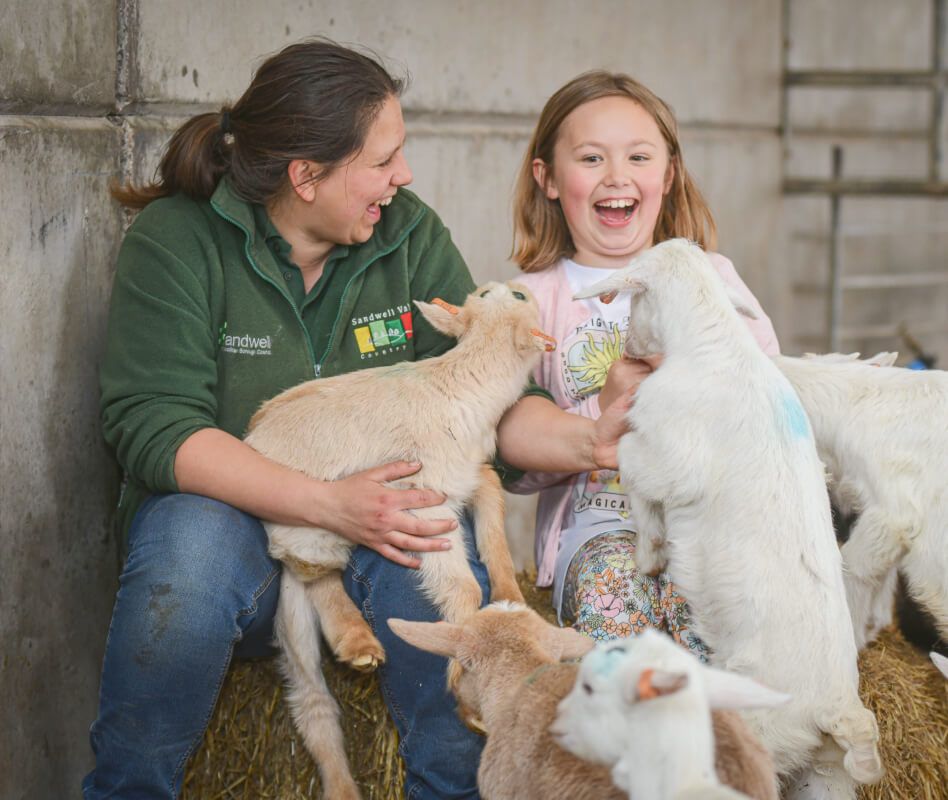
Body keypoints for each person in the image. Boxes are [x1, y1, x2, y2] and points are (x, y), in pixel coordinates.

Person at [497, 71, 781, 657]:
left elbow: (773, 406)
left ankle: (726, 745)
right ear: (547, 178)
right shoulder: (529, 302)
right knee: (624, 634)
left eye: (639, 156)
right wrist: (600, 406)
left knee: (720, 643)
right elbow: (511, 462)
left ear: (669, 174)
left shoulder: (712, 280)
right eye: (592, 158)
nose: (617, 176)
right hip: (597, 530)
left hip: (709, 532)